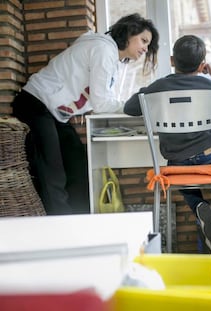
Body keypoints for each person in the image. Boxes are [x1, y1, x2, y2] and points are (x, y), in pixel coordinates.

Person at [12, 13, 159, 215]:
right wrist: (131, 107)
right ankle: (61, 230)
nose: (145, 48)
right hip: (35, 104)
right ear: (128, 33)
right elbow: (101, 103)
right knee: (53, 173)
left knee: (78, 167)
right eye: (143, 41)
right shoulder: (103, 49)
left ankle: (77, 221)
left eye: (148, 45)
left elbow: (102, 98)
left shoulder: (112, 57)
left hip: (55, 114)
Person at [124, 34, 211, 254]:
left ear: (172, 61)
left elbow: (130, 107)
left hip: (176, 162)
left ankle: (200, 208)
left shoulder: (158, 87)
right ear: (202, 64)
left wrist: (149, 95)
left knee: (181, 177)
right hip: (209, 157)